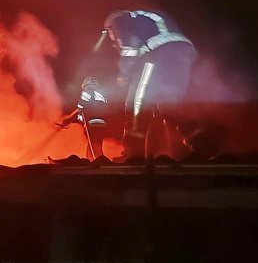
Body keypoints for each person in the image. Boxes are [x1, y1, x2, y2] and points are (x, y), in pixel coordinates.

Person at [95, 9, 197, 159]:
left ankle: (133, 152)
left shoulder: (120, 21)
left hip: (158, 55)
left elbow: (130, 48)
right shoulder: (146, 17)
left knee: (137, 102)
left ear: (110, 28)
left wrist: (125, 74)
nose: (112, 39)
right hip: (184, 54)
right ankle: (189, 147)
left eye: (110, 34)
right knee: (169, 107)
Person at [57, 77, 109, 159]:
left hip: (92, 124)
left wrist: (69, 119)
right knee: (95, 145)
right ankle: (91, 160)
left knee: (94, 146)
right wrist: (71, 120)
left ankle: (99, 162)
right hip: (101, 124)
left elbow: (81, 107)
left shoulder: (88, 91)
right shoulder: (101, 94)